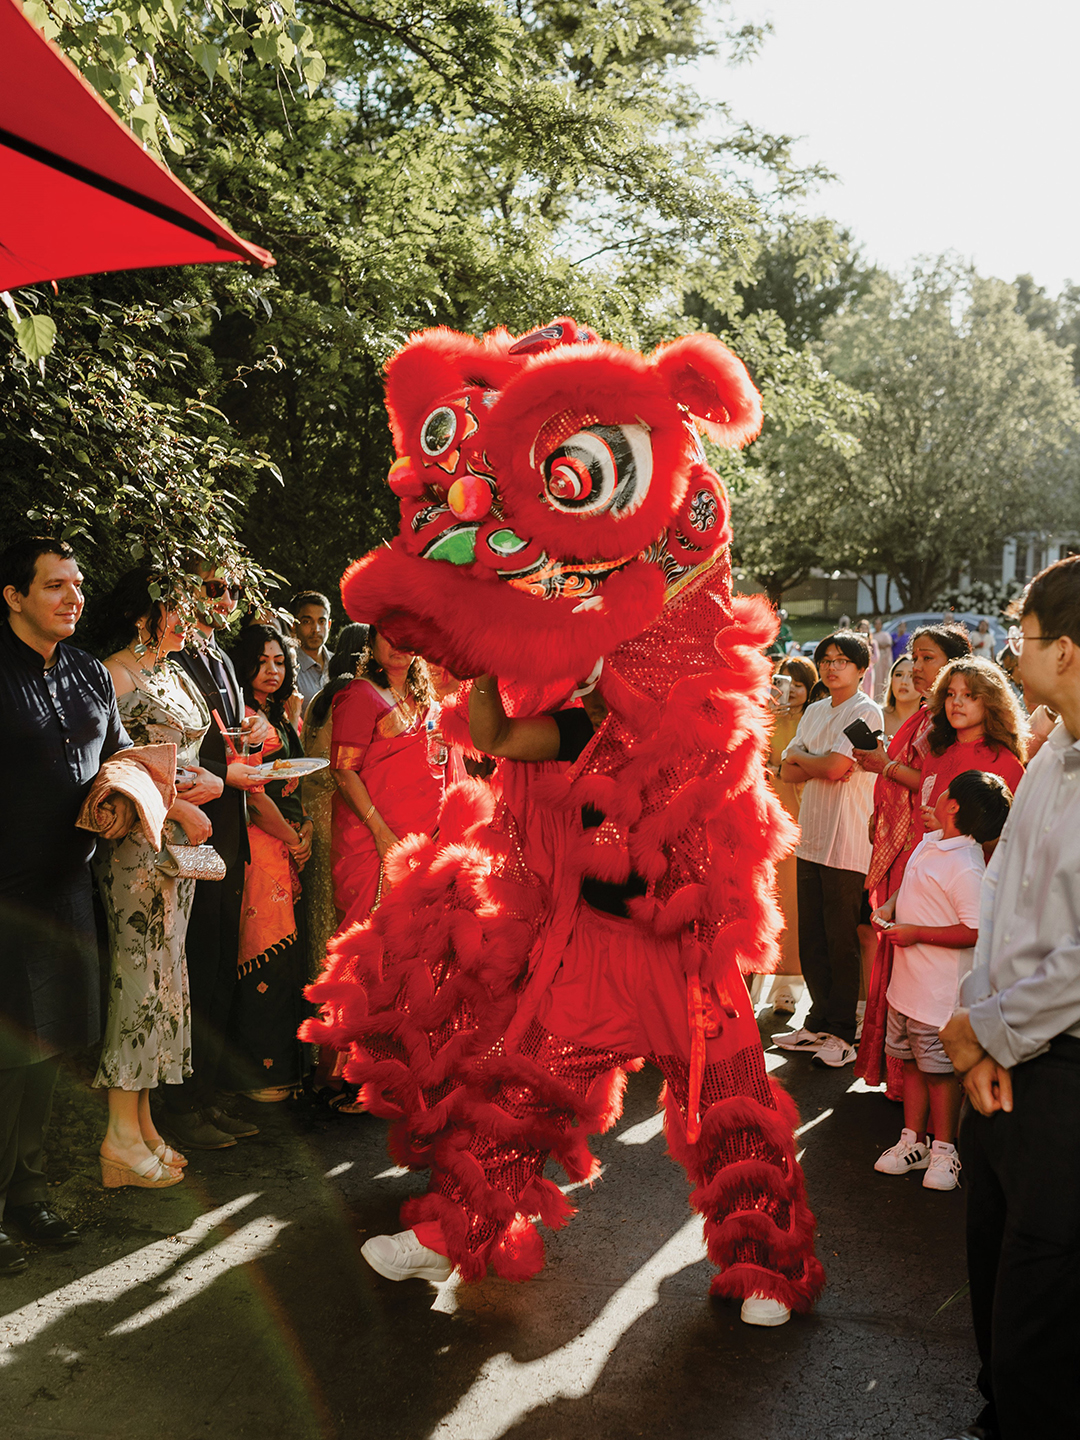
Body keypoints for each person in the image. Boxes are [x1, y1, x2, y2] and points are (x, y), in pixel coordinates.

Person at [357, 668, 824, 1328]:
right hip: (596, 948)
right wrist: (490, 661)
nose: (595, 677)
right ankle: (448, 1238)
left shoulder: (701, 727)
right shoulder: (580, 727)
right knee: (524, 1092)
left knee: (731, 1099)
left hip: (683, 950)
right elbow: (494, 733)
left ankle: (766, 1266)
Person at [940, 556, 1080, 1440]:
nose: (1010, 650)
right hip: (1002, 1061)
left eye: (1021, 638)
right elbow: (1001, 906)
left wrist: (985, 1028)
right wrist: (979, 1035)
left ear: (1065, 651)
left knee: (1043, 1308)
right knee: (993, 1282)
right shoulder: (1053, 751)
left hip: (1062, 1069)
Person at [0, 539, 137, 1272]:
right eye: (55, 586)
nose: (73, 597)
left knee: (49, 1049)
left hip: (67, 889)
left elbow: (115, 750)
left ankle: (27, 1193)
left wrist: (116, 795)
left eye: (77, 585)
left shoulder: (88, 672)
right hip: (5, 898)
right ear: (13, 596)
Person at [94, 569, 221, 1189]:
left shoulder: (173, 670)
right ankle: (118, 1134)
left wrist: (215, 785)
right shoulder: (114, 671)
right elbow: (106, 767)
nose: (192, 616)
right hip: (138, 843)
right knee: (138, 972)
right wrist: (175, 805)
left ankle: (143, 1124)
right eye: (180, 605)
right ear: (149, 610)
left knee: (168, 971)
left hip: (180, 843)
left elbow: (192, 755)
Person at [158, 565, 268, 1152]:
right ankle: (179, 1104)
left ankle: (208, 1093)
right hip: (189, 830)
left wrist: (246, 732)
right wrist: (230, 769)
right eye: (212, 587)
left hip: (230, 828)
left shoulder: (222, 657)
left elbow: (225, 741)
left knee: (223, 961)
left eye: (231, 588)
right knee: (193, 964)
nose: (226, 598)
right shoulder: (167, 657)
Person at [872, 771, 1011, 1193]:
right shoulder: (930, 842)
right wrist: (893, 909)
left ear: (953, 806)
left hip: (937, 996)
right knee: (911, 1062)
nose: (939, 790)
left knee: (939, 1072)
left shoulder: (967, 866)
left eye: (946, 788)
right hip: (907, 988)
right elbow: (911, 884)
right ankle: (912, 1140)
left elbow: (975, 930)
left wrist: (916, 934)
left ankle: (945, 1149)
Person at [851, 624, 973, 1092]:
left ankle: (918, 1082)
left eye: (927, 658)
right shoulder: (925, 714)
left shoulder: (950, 720)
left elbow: (932, 783)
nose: (917, 667)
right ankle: (901, 1079)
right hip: (905, 845)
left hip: (929, 848)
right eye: (914, 658)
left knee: (918, 957)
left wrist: (885, 767)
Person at [773, 632, 883, 1067]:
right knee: (813, 936)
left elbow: (838, 768)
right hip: (812, 837)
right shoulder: (816, 710)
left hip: (847, 841)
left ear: (861, 669)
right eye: (827, 659)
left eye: (843, 660)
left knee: (841, 938)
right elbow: (787, 771)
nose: (833, 666)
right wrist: (806, 761)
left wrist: (806, 758)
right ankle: (818, 1021)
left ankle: (842, 1030)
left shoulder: (865, 711)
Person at [229, 625, 313, 1101]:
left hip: (285, 844)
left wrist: (300, 838)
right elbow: (254, 795)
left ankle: (284, 1068)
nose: (272, 671)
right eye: (262, 662)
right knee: (265, 952)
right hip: (260, 845)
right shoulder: (245, 717)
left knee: (287, 959)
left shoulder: (276, 714)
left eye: (279, 661)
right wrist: (292, 838)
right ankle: (260, 1074)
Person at [329, 631, 444, 930]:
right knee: (371, 941)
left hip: (425, 838)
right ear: (372, 640)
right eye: (390, 635)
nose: (400, 644)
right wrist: (381, 834)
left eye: (407, 635)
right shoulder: (359, 695)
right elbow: (343, 770)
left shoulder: (424, 698)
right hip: (374, 842)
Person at [914, 659, 1026, 849]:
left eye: (969, 695)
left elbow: (1012, 842)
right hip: (919, 866)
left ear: (990, 702)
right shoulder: (937, 752)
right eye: (950, 694)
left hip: (968, 874)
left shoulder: (1007, 764)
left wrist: (950, 831)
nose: (956, 702)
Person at [763, 656, 817, 1006]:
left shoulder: (813, 721)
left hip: (798, 815)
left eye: (799, 683)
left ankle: (788, 989)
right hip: (764, 812)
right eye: (786, 681)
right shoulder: (765, 715)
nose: (792, 689)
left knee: (793, 902)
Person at [291, 591, 334, 718]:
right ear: (293, 625)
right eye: (307, 622)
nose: (316, 629)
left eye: (321, 621)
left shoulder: (339, 663)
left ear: (329, 625)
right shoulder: (287, 667)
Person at [882, 656, 920, 739]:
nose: (904, 682)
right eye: (899, 675)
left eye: (912, 676)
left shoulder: (929, 724)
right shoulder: (877, 716)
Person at [872, 618, 893, 700]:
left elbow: (887, 646)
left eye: (879, 623)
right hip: (875, 663)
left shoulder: (885, 635)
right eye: (876, 623)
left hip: (883, 660)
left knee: (884, 679)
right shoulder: (872, 635)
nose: (878, 625)